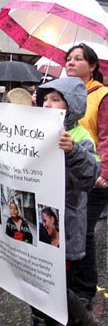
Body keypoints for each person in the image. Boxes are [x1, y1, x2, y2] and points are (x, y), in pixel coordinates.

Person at [30, 76, 100, 326]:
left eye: (55, 99)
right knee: (36, 278)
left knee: (56, 283)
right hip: (38, 219)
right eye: (44, 99)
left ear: (71, 105)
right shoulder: (36, 130)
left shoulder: (79, 136)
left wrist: (73, 151)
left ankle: (79, 320)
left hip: (65, 225)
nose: (47, 104)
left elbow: (89, 176)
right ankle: (41, 316)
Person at [64, 43, 108, 312]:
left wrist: (103, 172)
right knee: (71, 229)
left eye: (78, 59)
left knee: (85, 231)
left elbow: (106, 136)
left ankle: (85, 288)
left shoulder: (102, 95)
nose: (70, 63)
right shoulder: (62, 91)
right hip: (70, 175)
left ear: (92, 66)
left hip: (94, 174)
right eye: (68, 58)